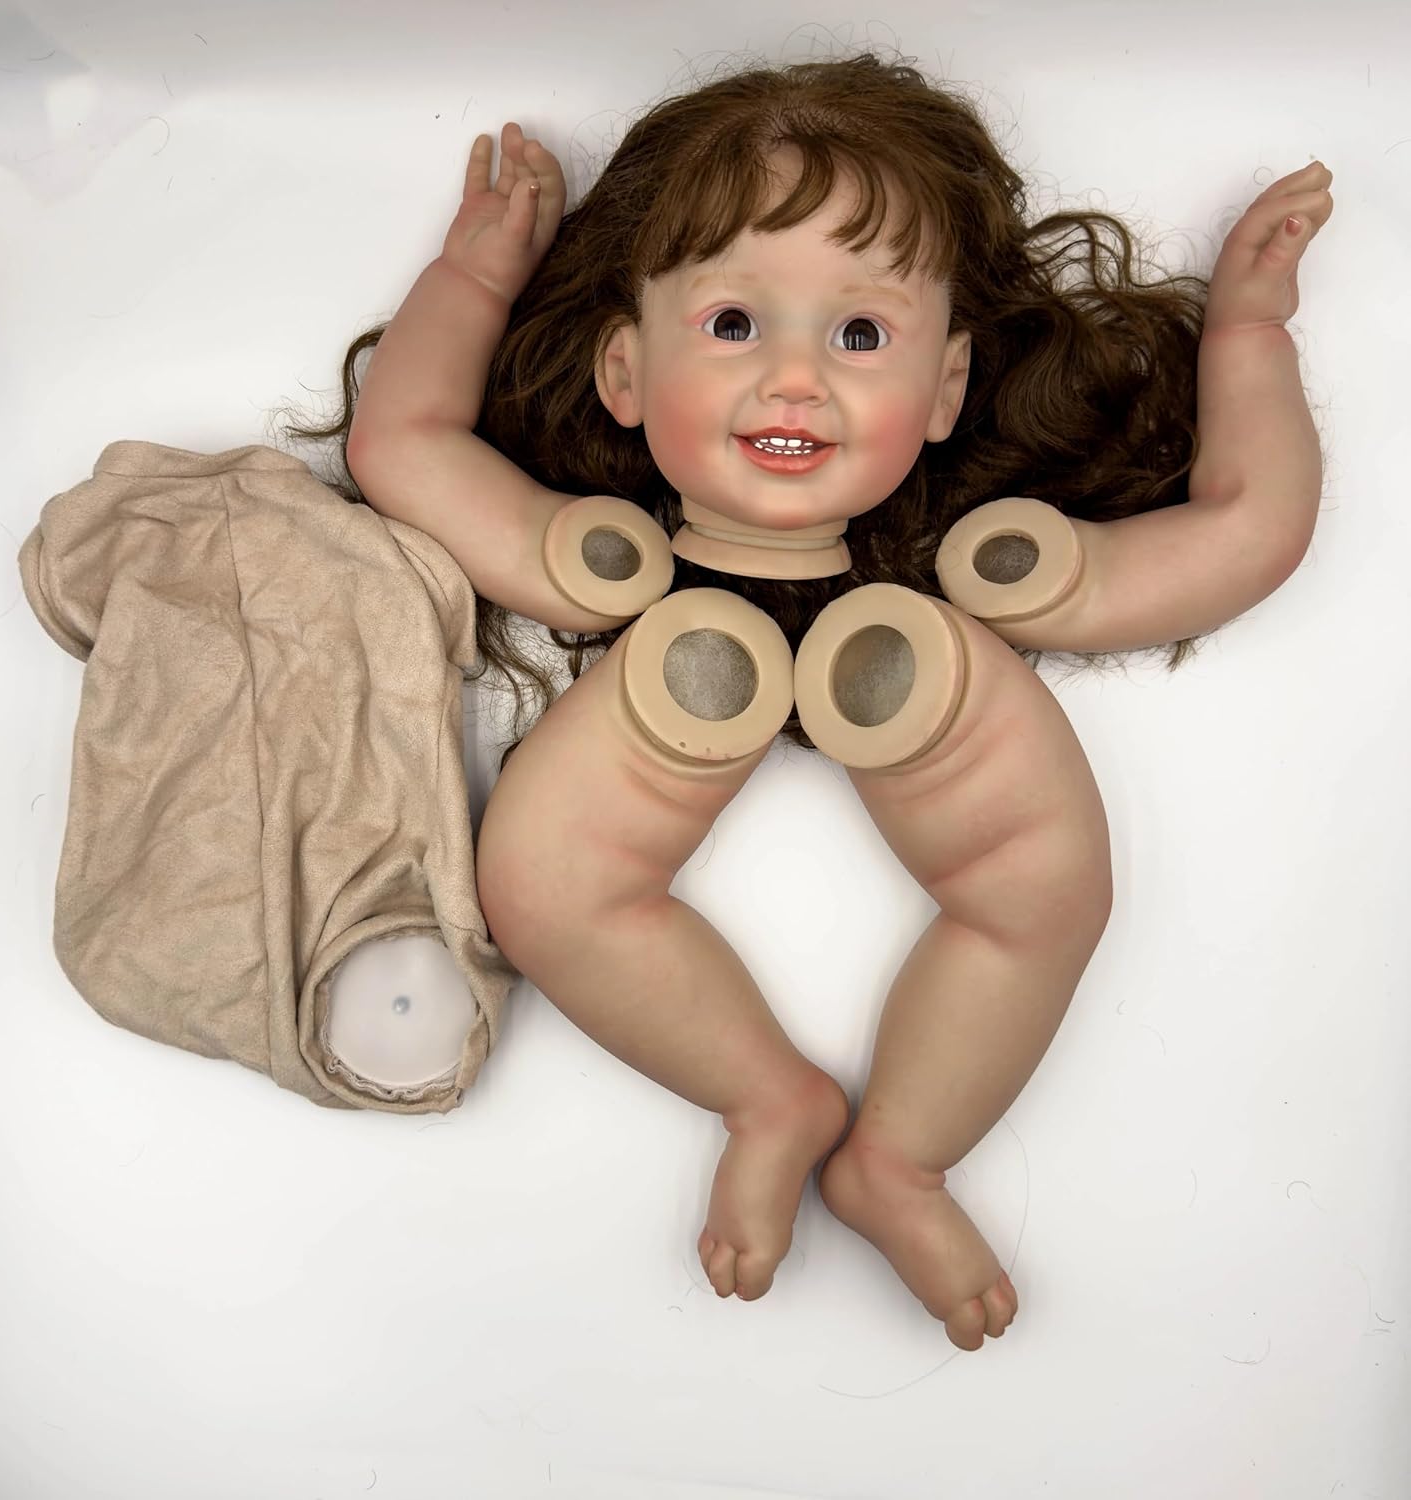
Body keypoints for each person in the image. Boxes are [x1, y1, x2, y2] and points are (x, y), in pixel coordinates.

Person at [331, 53, 1331, 1350]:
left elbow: (1245, 533)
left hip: (915, 658)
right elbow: (402, 444)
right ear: (624, 373)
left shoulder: (995, 569)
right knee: (540, 886)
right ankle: (767, 1099)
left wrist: (1249, 335)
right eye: (733, 325)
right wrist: (473, 280)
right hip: (677, 655)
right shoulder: (586, 554)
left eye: (860, 335)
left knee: (1044, 891)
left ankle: (900, 1163)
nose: (796, 378)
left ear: (947, 389)